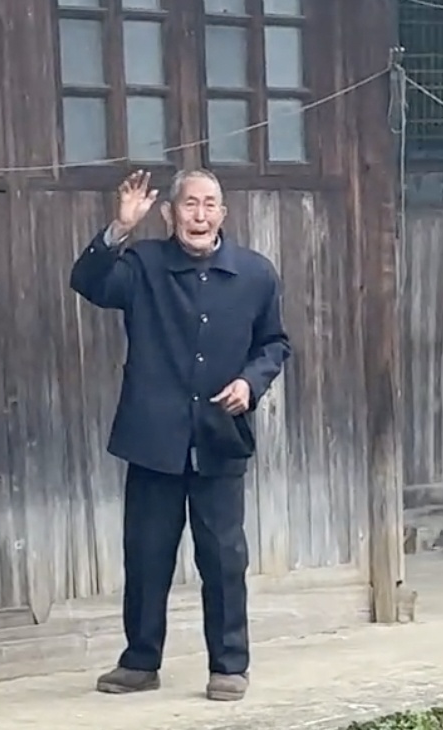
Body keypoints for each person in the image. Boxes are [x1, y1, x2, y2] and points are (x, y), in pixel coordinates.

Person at [69, 168, 291, 701]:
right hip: (153, 438)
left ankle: (229, 665)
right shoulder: (143, 265)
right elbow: (89, 283)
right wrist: (120, 229)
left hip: (219, 435)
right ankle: (140, 662)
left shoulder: (255, 274)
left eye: (209, 204)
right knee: (147, 555)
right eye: (189, 204)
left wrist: (250, 383)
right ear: (169, 214)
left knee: (223, 558)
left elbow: (274, 344)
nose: (199, 214)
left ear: (223, 214)